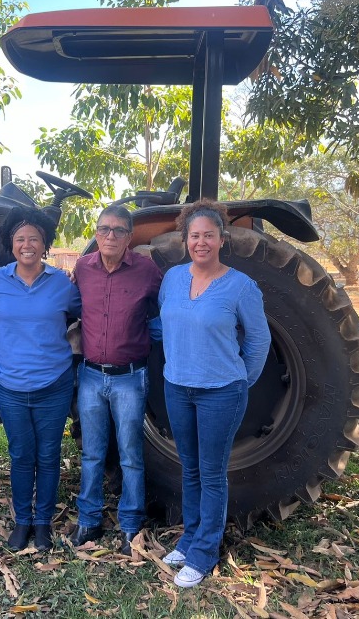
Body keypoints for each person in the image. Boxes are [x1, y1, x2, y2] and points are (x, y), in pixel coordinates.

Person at [157, 199, 271, 588]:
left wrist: (239, 379)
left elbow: (258, 340)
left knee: (211, 472)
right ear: (185, 240)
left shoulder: (241, 286)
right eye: (194, 235)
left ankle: (204, 553)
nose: (201, 242)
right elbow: (169, 324)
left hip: (221, 392)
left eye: (208, 235)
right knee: (189, 468)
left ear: (222, 239)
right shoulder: (173, 278)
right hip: (177, 387)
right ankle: (189, 538)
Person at [0, 206, 81, 552]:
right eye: (20, 239)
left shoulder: (61, 284)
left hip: (53, 384)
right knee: (22, 454)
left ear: (45, 244)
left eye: (34, 239)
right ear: (12, 244)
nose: (27, 244)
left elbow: (85, 314)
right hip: (10, 386)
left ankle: (43, 523)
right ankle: (22, 520)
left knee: (49, 454)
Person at [71, 205, 162, 555]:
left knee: (130, 455)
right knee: (92, 454)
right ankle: (89, 520)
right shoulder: (82, 268)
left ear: (129, 237)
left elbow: (166, 307)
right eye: (104, 229)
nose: (110, 236)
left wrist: (154, 333)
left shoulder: (147, 270)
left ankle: (130, 525)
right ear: (96, 233)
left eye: (119, 230)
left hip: (130, 378)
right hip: (91, 376)